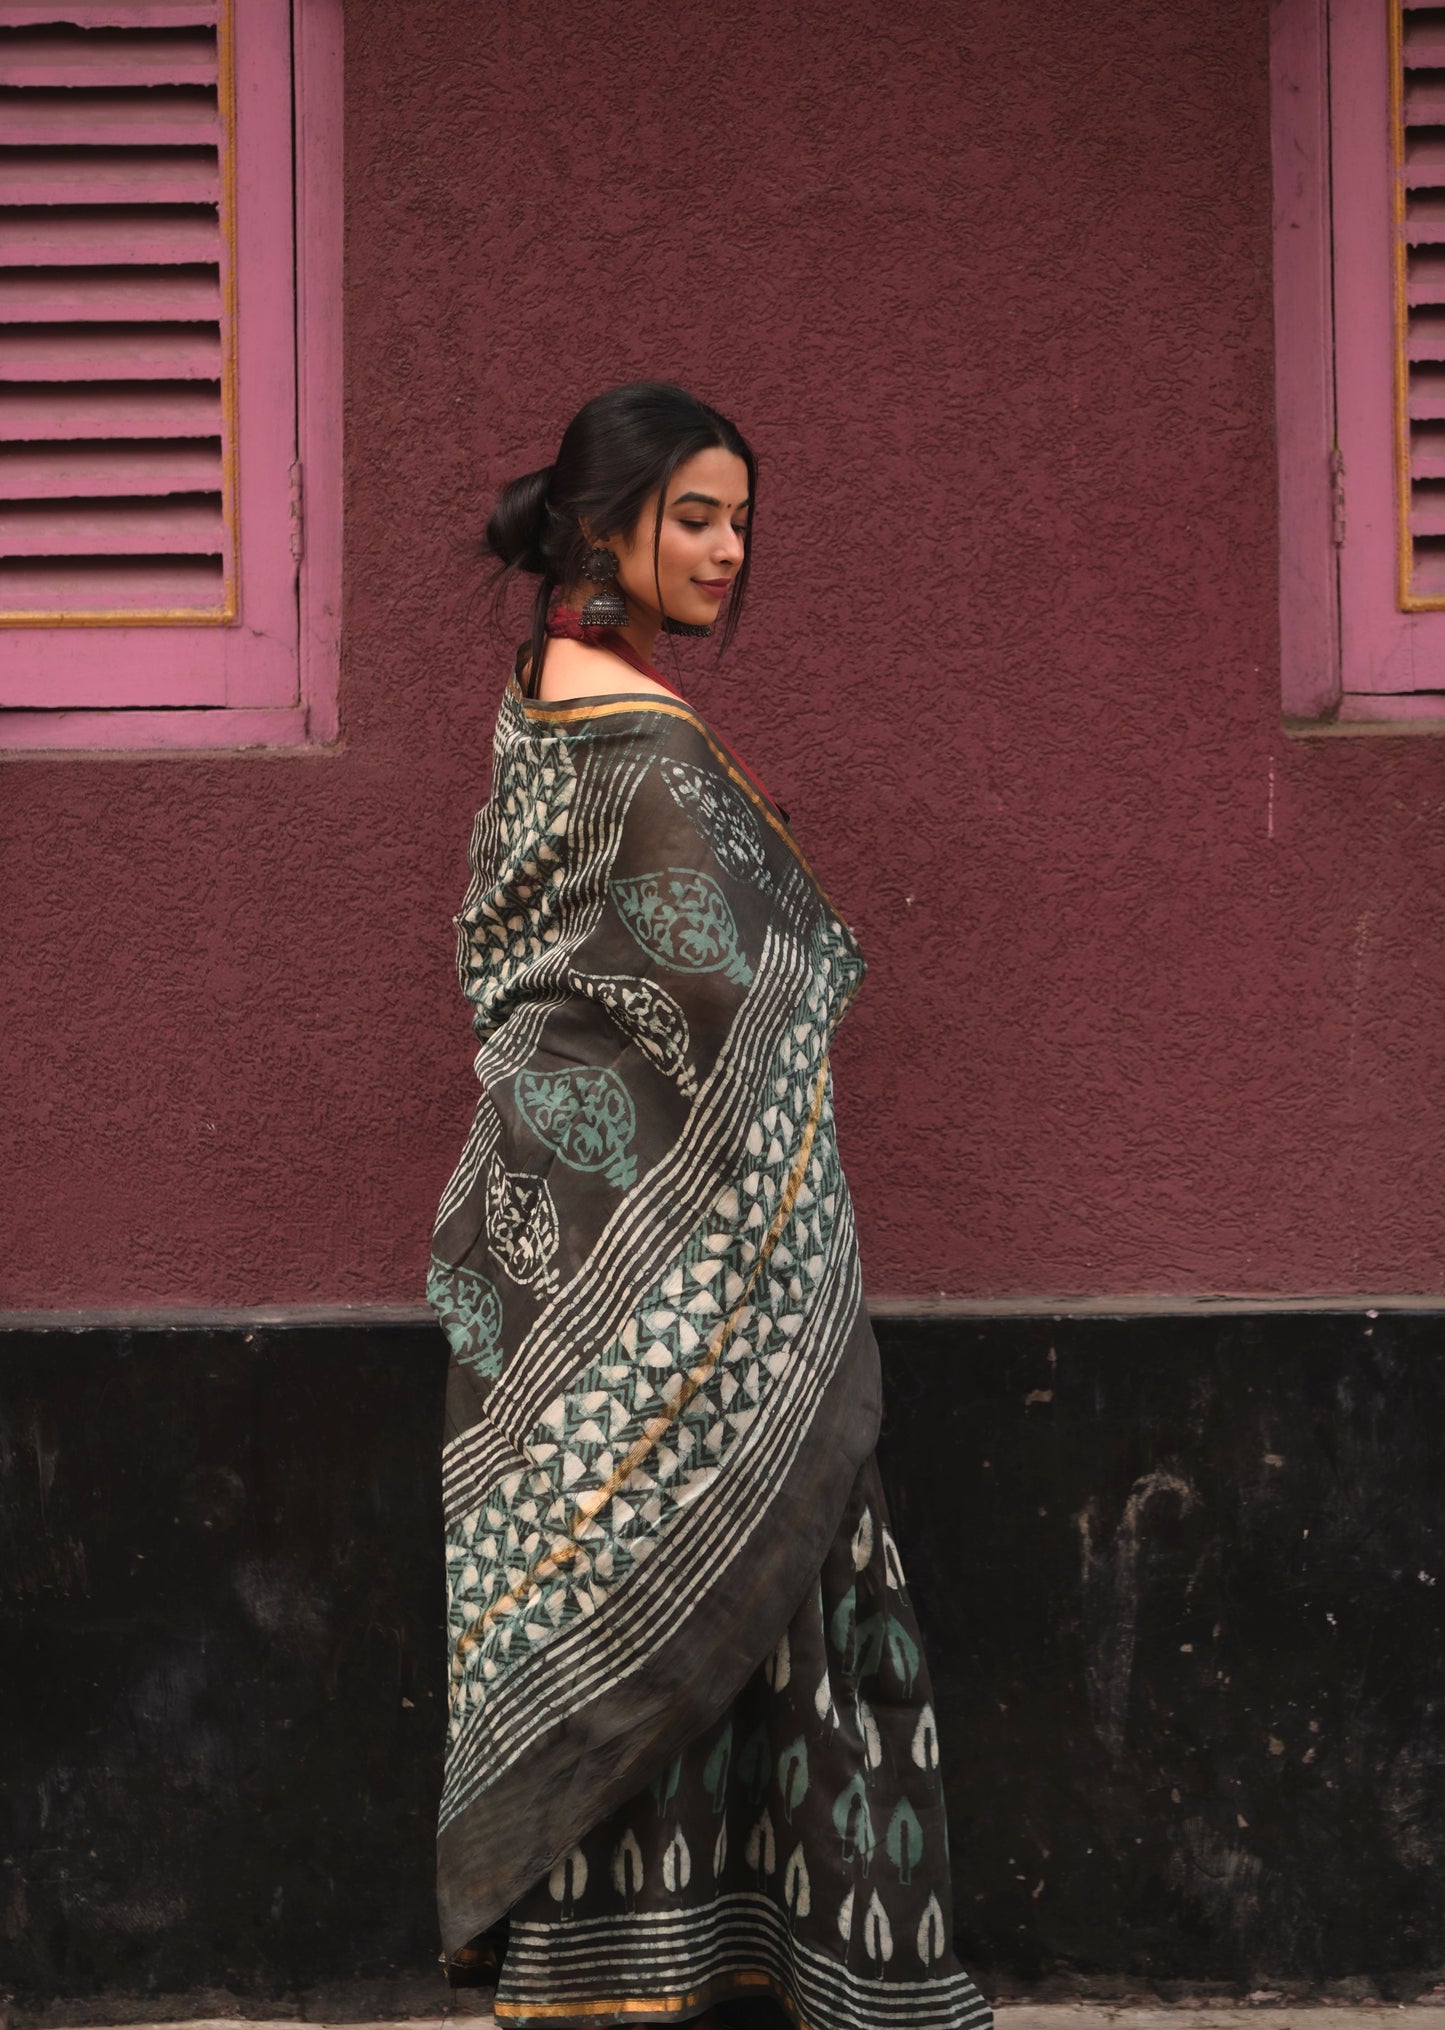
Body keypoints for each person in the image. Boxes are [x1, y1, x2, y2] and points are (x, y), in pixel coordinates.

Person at [428, 382, 992, 2030]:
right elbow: (717, 993)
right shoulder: (643, 738)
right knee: (733, 1557)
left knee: (614, 1578)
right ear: (603, 524)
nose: (729, 550)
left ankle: (609, 1970)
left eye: (740, 519)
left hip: (549, 1237)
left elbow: (543, 971)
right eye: (694, 515)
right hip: (651, 1250)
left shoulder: (546, 692)